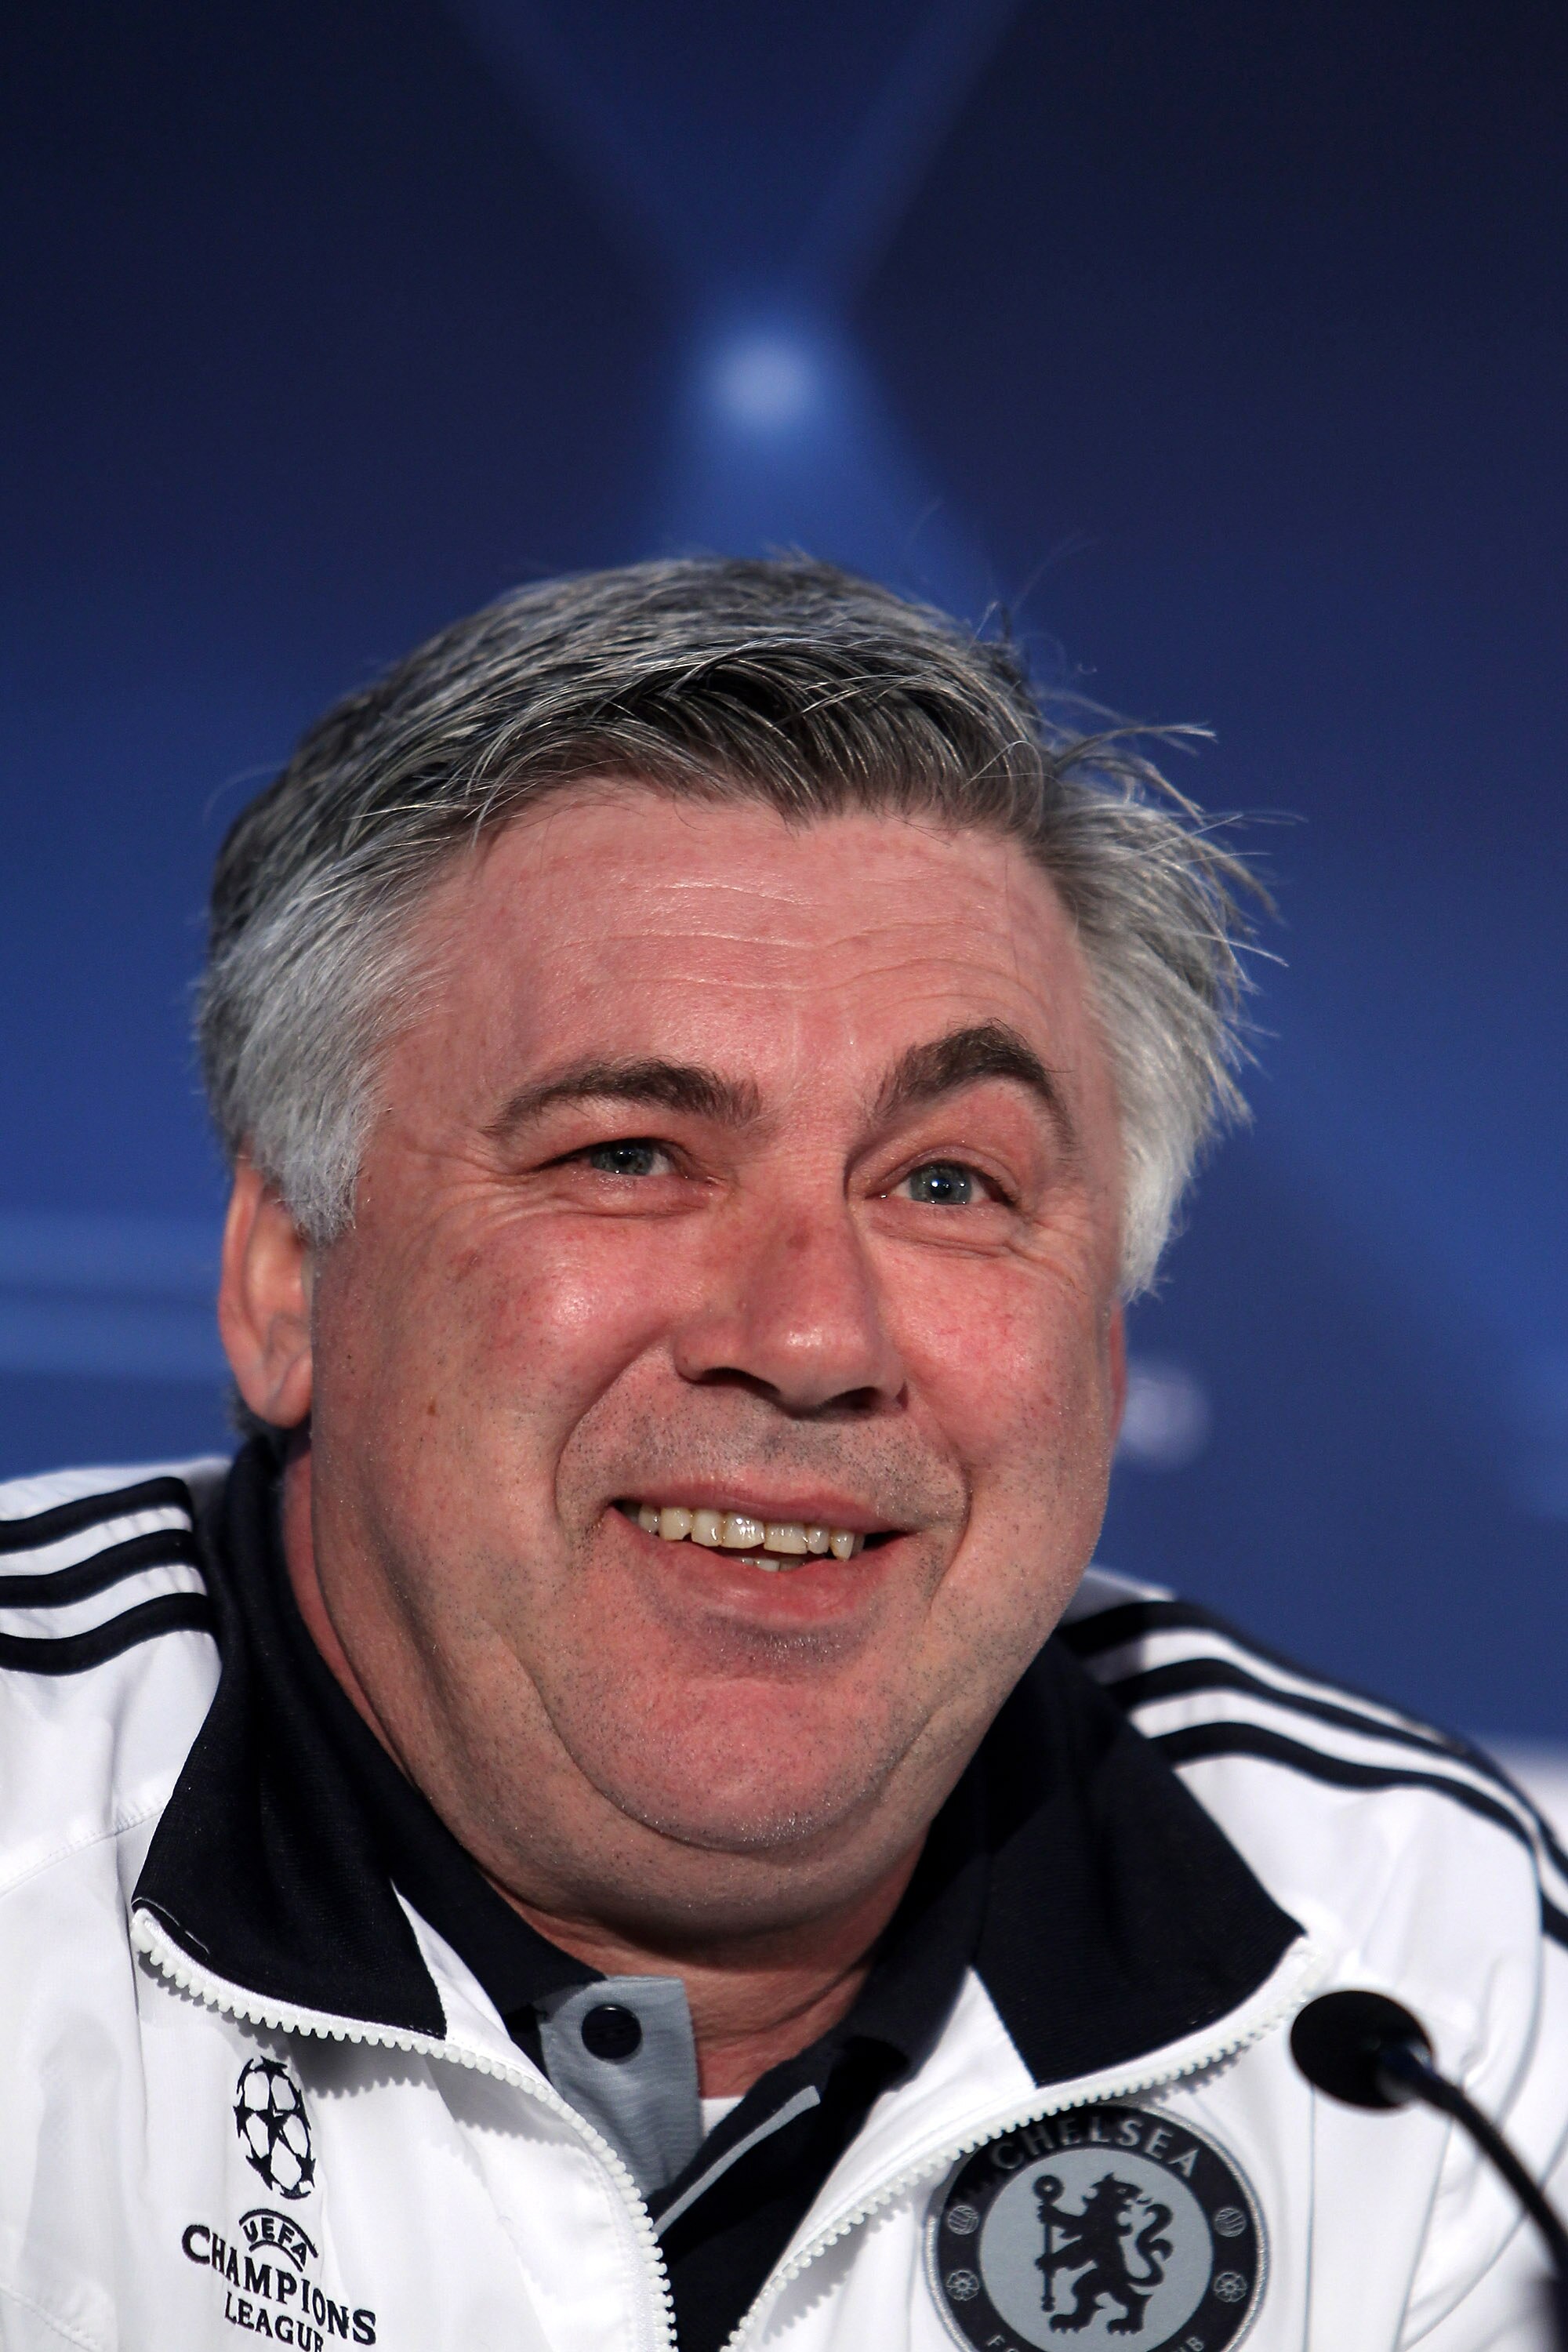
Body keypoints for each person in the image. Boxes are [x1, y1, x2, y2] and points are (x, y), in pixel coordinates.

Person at [0, 559, 1562, 2352]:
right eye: (630, 1154)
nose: (814, 1337)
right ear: (287, 1280)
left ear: (1110, 1350)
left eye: (947, 1185)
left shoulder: (1419, 1969)